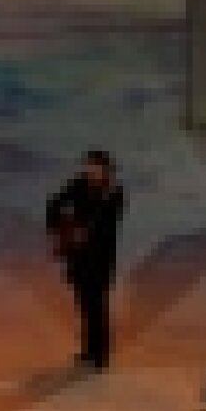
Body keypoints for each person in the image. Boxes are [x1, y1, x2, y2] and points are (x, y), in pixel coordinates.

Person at [46, 149, 126, 370]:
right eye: (87, 166)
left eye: (94, 166)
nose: (89, 170)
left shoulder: (114, 192)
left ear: (105, 168)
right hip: (78, 257)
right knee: (83, 305)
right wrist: (58, 229)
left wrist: (85, 232)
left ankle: (100, 356)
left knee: (97, 307)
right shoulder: (78, 184)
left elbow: (108, 226)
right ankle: (88, 351)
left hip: (100, 258)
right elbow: (54, 202)